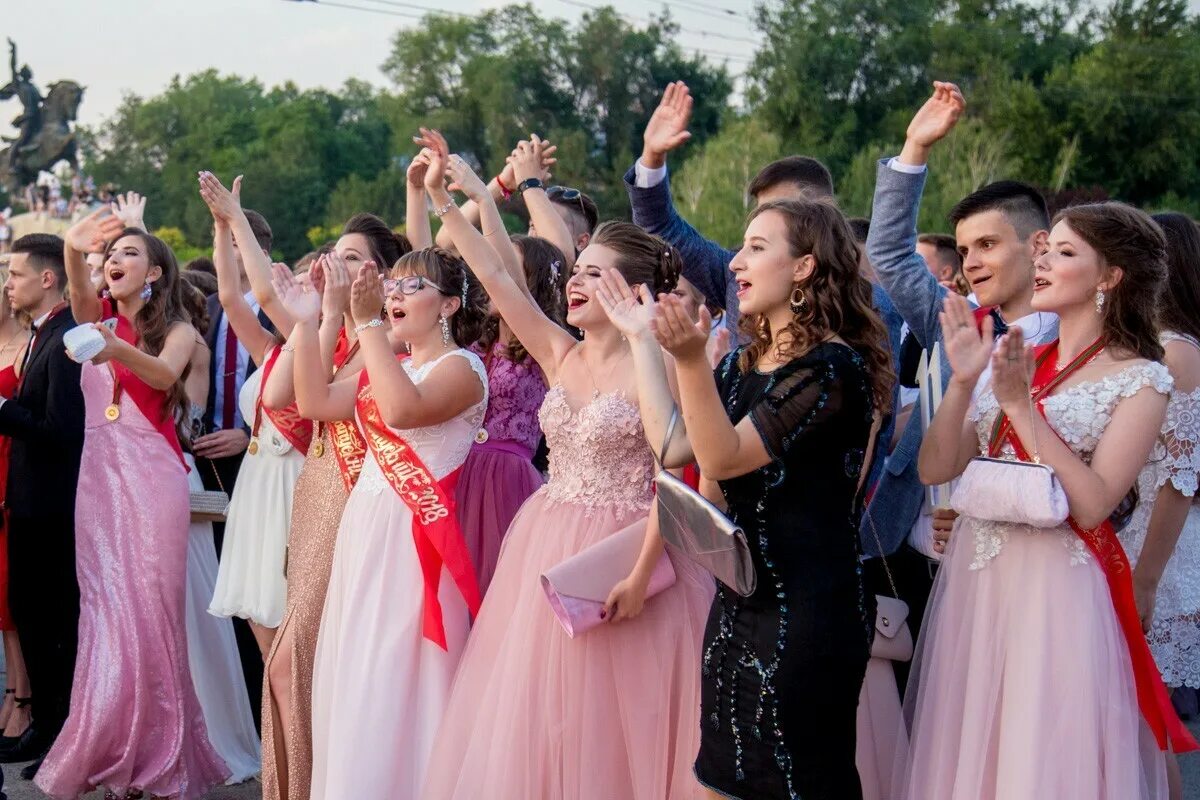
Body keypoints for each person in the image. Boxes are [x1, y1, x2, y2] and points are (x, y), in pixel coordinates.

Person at [420, 128, 713, 800]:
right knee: (544, 717)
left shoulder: (666, 361)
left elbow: (675, 470)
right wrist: (455, 199)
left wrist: (641, 575)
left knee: (622, 725)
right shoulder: (561, 352)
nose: (575, 282)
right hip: (548, 540)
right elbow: (496, 274)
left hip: (635, 549)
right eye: (577, 271)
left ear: (634, 289)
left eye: (594, 272)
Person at [903, 202, 1198, 799]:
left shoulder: (1142, 379)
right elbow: (935, 466)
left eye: (1065, 253)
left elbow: (1093, 504)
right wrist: (964, 383)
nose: (1042, 262)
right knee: (975, 751)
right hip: (979, 586)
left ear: (1110, 277)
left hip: (1058, 593)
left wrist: (1019, 408)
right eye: (1045, 250)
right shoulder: (1018, 359)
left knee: (1040, 757)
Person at [606, 197, 894, 799]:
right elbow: (676, 445)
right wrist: (641, 343)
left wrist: (688, 359)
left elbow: (722, 458)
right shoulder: (744, 362)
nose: (737, 260)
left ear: (805, 267)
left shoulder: (831, 370)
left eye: (758, 247)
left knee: (794, 781)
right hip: (741, 598)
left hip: (810, 609)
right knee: (721, 775)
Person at [35, 212, 228, 798]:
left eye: (130, 255)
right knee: (103, 615)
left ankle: (161, 758)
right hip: (98, 480)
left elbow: (165, 373)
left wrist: (117, 347)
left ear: (156, 273)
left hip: (152, 478)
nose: (114, 262)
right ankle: (112, 752)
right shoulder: (95, 319)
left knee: (150, 618)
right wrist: (73, 248)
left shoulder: (178, 332)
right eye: (109, 255)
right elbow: (75, 287)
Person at [283, 247, 488, 799]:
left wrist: (369, 321)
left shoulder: (464, 368)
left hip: (415, 538)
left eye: (410, 287)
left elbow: (400, 411)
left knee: (399, 675)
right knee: (359, 672)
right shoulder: (391, 365)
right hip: (366, 531)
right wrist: (317, 318)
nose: (393, 295)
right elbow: (314, 401)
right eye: (390, 287)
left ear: (448, 304)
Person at [862, 83, 1059, 653]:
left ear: (1038, 244)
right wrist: (913, 150)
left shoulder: (1079, 342)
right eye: (966, 250)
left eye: (989, 245)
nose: (972, 263)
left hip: (1037, 566)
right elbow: (892, 254)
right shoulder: (956, 320)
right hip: (924, 550)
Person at [258, 212, 411, 800]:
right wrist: (319, 318)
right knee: (292, 656)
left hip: (355, 495)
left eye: (349, 258)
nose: (332, 266)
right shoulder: (337, 329)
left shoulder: (388, 334)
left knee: (305, 659)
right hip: (316, 489)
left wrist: (338, 316)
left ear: (376, 270)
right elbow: (280, 399)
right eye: (332, 255)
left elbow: (319, 403)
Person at [440, 152, 565, 593]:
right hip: (461, 473)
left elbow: (510, 269)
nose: (485, 272)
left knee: (498, 591)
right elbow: (446, 245)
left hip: (507, 481)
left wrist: (509, 190)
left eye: (503, 265)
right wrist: (449, 191)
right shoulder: (479, 341)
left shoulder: (541, 346)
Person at [199, 172, 306, 659]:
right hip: (256, 488)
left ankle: (299, 737)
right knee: (262, 641)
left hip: (297, 486)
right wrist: (222, 227)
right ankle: (272, 738)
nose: (291, 288)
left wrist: (238, 217)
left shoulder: (323, 353)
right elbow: (229, 296)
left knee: (291, 640)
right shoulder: (271, 351)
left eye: (303, 284)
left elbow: (263, 294)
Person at [1118, 211, 1200, 799]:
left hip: (1159, 549)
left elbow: (1180, 478)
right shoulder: (1151, 348)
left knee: (1147, 720)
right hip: (1132, 538)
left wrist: (1145, 580)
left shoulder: (1179, 353)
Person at [0, 234, 82, 780]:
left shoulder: (68, 336)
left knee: (52, 629)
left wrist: (3, 407)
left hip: (51, 509)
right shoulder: (42, 334)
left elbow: (61, 432)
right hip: (27, 505)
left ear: (47, 278)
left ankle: (56, 736)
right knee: (31, 623)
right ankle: (45, 734)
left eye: (16, 275)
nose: (9, 285)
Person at [178, 273, 262, 784]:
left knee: (246, 599)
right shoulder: (208, 306)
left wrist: (248, 435)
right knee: (218, 598)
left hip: (258, 461)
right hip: (206, 462)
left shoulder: (279, 308)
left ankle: (253, 721)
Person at [0, 271, 31, 749]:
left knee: (13, 591)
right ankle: (11, 693)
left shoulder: (32, 343)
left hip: (15, 470)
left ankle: (23, 701)